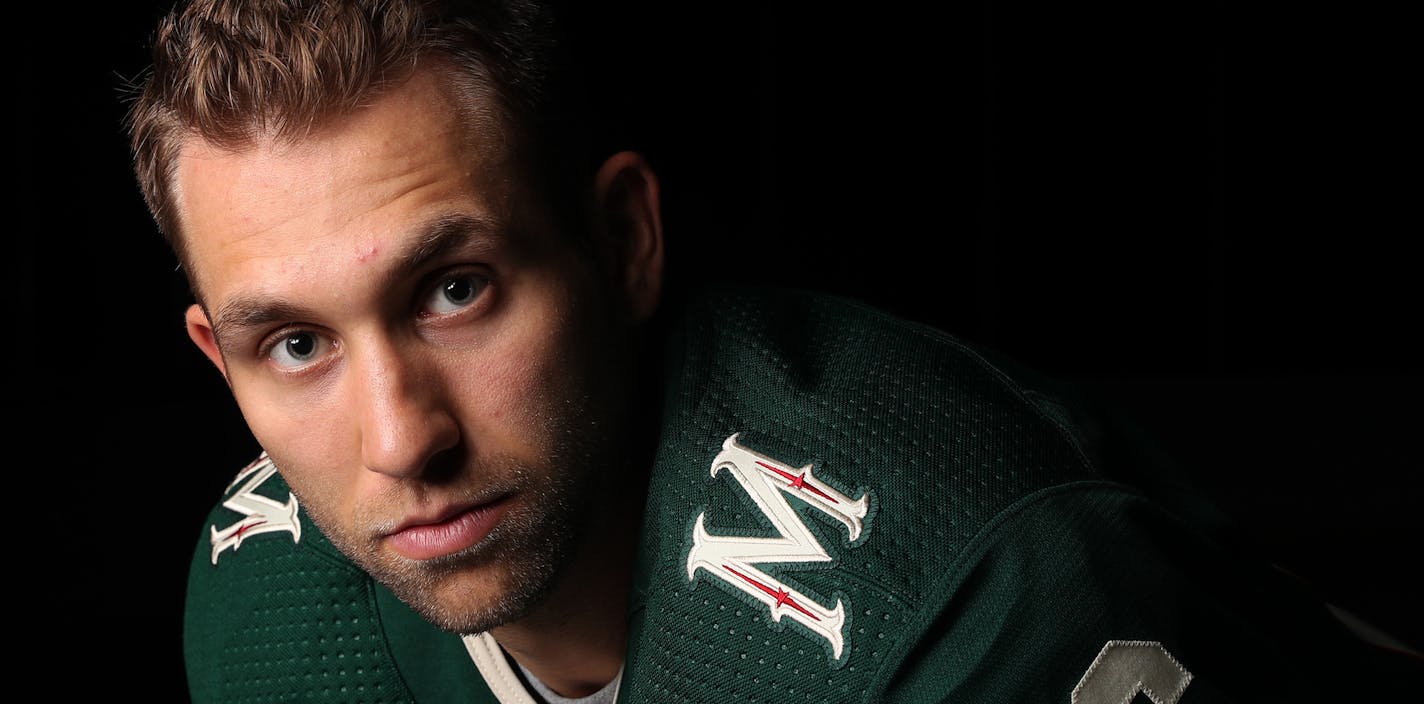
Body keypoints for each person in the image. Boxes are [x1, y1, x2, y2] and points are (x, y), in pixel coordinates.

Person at [123, 0, 1420, 701]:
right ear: (218, 362)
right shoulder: (270, 603)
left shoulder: (965, 596)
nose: (404, 438)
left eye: (458, 290)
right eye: (294, 344)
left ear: (625, 240)